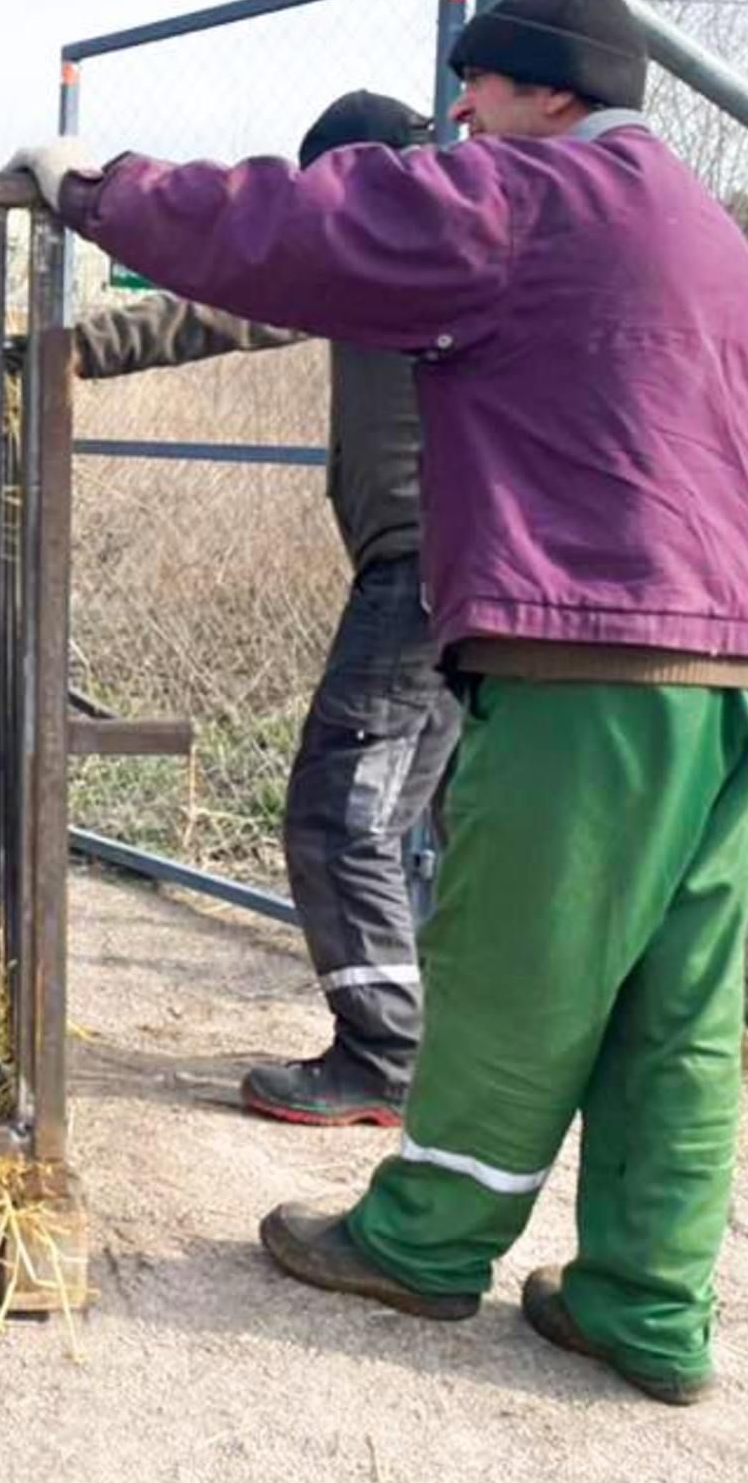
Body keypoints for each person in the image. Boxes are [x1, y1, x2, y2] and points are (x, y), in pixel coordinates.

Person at [15, 0, 748, 1406]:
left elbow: (302, 222)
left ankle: (423, 1241)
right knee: (671, 1012)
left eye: (480, 93)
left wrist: (103, 190)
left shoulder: (533, 197)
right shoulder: (710, 237)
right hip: (732, 663)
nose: (464, 122)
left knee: (511, 967)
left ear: (546, 93)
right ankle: (646, 1302)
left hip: (589, 662)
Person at [68, 90, 459, 1130]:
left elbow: (229, 296)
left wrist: (72, 347)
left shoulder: (389, 238)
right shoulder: (449, 235)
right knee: (423, 810)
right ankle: (445, 1040)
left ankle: (383, 1056)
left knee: (341, 812)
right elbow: (246, 304)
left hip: (422, 572)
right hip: (474, 575)